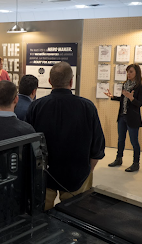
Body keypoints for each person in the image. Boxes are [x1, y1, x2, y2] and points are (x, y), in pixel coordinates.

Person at [26, 62, 105, 211]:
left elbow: (28, 141)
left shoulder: (36, 106)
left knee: (41, 218)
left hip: (44, 174)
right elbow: (98, 145)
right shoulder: (87, 107)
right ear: (71, 81)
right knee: (75, 216)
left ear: (49, 81)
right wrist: (88, 170)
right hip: (77, 175)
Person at [104, 64, 142, 172]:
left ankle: (136, 163)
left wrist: (132, 98)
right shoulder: (125, 84)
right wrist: (112, 97)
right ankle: (119, 159)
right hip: (122, 116)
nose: (128, 74)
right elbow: (123, 99)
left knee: (134, 142)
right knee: (120, 140)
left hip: (132, 118)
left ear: (136, 73)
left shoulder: (141, 87)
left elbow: (139, 103)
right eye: (127, 72)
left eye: (131, 72)